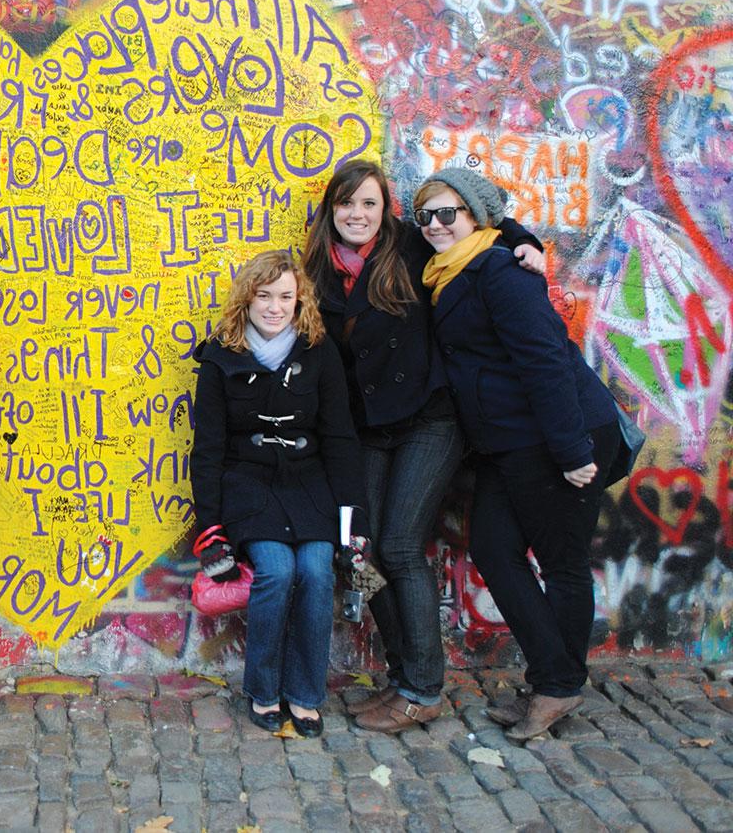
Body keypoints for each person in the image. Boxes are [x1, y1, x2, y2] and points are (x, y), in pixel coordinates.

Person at [302, 160, 545, 733]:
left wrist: (524, 239)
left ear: (385, 209)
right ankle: (401, 673)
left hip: (428, 419)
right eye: (346, 203)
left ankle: (423, 688)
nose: (357, 215)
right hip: (365, 430)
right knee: (359, 553)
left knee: (401, 547)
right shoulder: (317, 269)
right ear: (330, 209)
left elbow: (480, 227)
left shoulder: (411, 245)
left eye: (369, 203)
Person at [415, 167, 621, 740]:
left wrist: (571, 450)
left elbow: (546, 361)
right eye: (425, 214)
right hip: (511, 442)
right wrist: (519, 232)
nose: (434, 225)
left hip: (560, 435)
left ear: (475, 217)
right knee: (495, 550)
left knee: (561, 563)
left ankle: (557, 688)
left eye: (447, 213)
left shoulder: (501, 273)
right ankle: (554, 677)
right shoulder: (450, 266)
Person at [191, 250, 368, 738]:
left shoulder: (319, 351)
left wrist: (353, 524)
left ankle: (306, 694)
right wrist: (211, 531)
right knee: (276, 569)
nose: (274, 307)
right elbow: (206, 450)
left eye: (285, 297)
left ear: (300, 300)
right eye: (264, 296)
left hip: (309, 484)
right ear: (247, 300)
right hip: (249, 487)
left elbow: (339, 438)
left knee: (314, 569)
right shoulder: (220, 356)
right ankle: (264, 689)